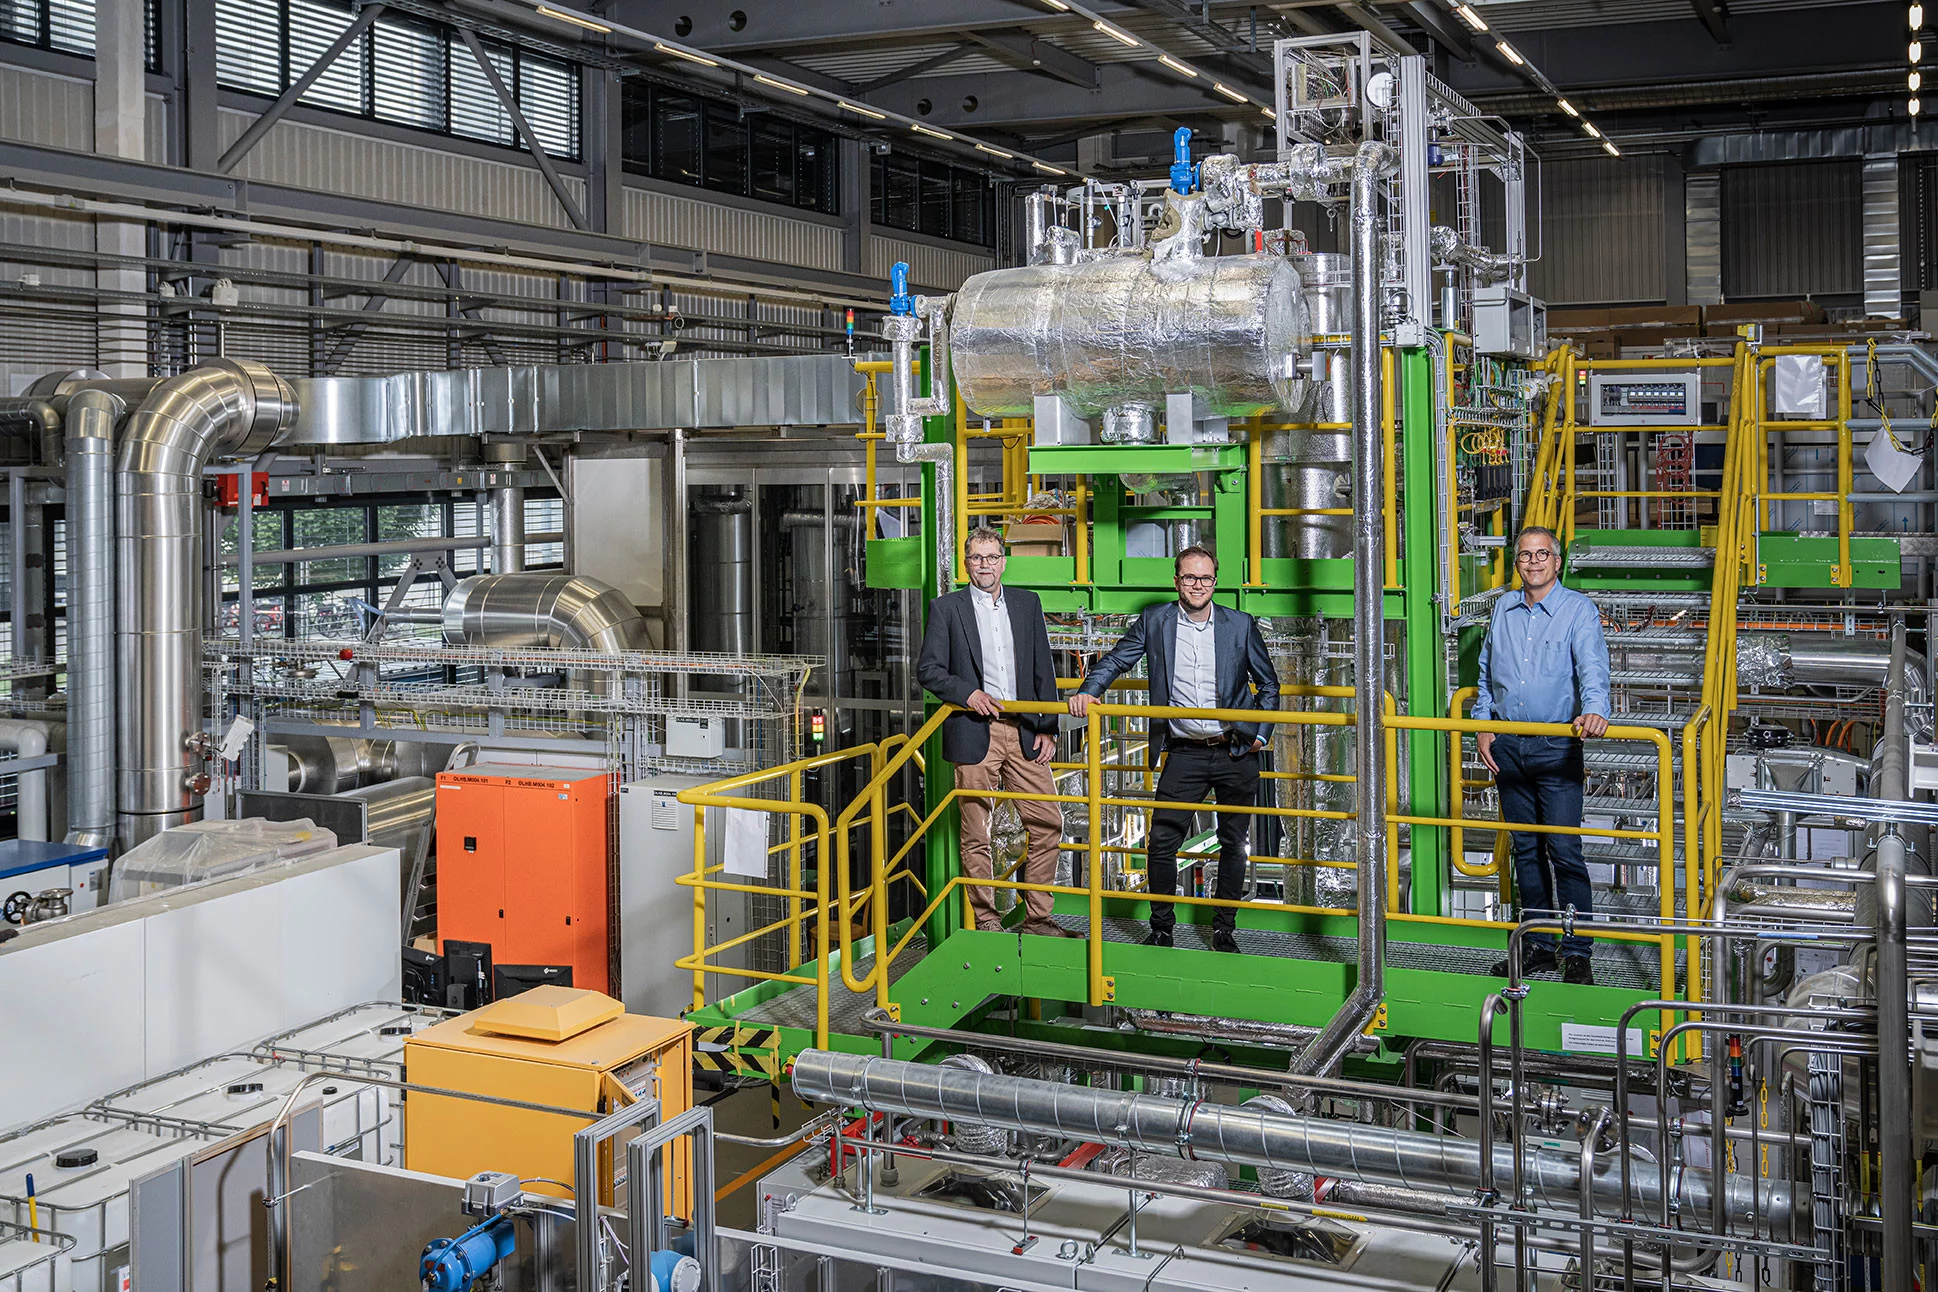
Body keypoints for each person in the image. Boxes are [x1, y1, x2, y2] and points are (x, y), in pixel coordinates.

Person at [1069, 546, 1280, 952]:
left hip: (1236, 749)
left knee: (1234, 842)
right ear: (1176, 580)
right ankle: (1162, 928)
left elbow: (1269, 684)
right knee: (1162, 842)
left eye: (1205, 578)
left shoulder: (1239, 624)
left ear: (1215, 582)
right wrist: (1088, 690)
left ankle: (1224, 929)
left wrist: (1260, 733)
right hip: (1184, 751)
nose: (1197, 585)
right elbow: (1116, 661)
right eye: (1189, 577)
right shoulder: (1155, 621)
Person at [915, 528, 1076, 938]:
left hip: (1023, 731)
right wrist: (967, 694)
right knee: (976, 832)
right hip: (974, 732)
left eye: (991, 556)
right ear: (966, 563)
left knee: (1047, 822)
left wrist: (1048, 728)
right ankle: (986, 920)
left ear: (1003, 561)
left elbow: (1043, 668)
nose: (984, 564)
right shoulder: (946, 608)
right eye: (976, 557)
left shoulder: (1026, 604)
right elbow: (929, 670)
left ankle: (1038, 918)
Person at [1475, 525, 1612, 985]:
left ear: (1557, 562)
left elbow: (1592, 666)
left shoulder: (1577, 611)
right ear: (1518, 563)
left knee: (1565, 851)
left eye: (1541, 555)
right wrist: (1484, 725)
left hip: (1555, 747)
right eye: (1525, 555)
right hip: (1508, 746)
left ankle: (1576, 952)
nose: (1533, 562)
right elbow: (1485, 674)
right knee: (1526, 851)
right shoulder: (1503, 610)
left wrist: (1595, 709)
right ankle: (1536, 946)